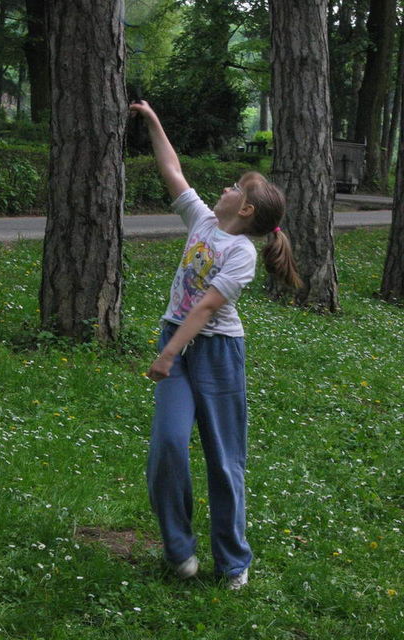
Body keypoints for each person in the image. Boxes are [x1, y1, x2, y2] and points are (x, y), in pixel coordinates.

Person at [129, 101, 301, 590]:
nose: (225, 189)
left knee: (225, 460)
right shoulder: (203, 222)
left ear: (245, 209)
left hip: (216, 353)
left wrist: (168, 354)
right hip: (176, 341)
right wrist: (154, 120)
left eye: (235, 188)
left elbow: (205, 308)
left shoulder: (242, 253)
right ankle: (179, 549)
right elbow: (172, 170)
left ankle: (232, 562)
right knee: (167, 445)